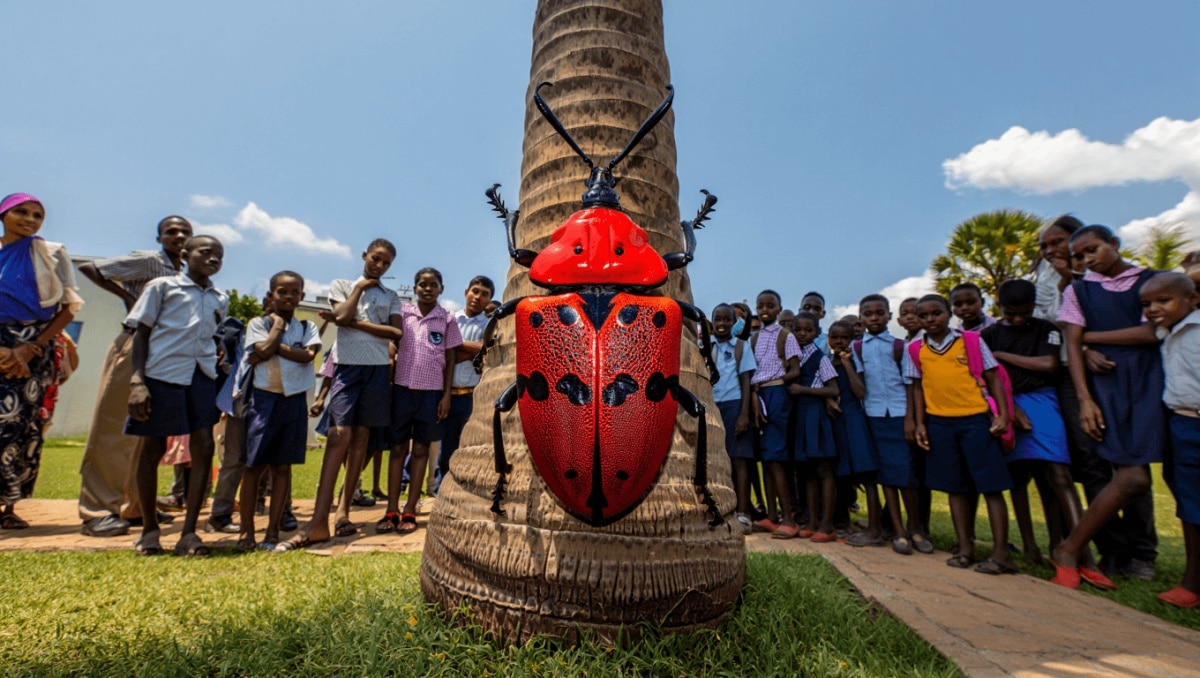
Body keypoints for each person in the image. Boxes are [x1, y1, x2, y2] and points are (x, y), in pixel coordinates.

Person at [1050, 225, 1165, 586]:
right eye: (1079, 257)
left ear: (1114, 244)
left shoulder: (1151, 281)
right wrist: (1085, 398)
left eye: (1092, 250)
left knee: (1165, 477)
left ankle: (1143, 553)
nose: (1086, 260)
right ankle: (1087, 549)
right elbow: (1070, 344)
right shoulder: (1079, 290)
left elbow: (1152, 332)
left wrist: (1088, 337)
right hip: (1108, 388)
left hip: (1154, 381)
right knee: (1129, 474)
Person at [280, 239, 403, 551]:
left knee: (361, 440)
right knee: (338, 436)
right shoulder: (342, 285)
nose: (380, 266)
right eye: (376, 259)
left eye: (386, 263)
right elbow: (342, 314)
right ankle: (318, 519)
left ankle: (343, 511)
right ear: (364, 255)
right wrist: (360, 289)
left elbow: (396, 333)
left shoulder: (391, 296)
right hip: (347, 368)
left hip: (376, 370)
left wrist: (355, 323)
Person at [76, 215, 192, 537]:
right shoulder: (149, 260)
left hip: (162, 352)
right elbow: (92, 268)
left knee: (144, 431)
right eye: (171, 231)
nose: (179, 236)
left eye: (185, 232)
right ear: (160, 238)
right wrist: (129, 298)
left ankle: (135, 505)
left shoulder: (180, 272)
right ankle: (98, 510)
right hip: (133, 346)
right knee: (113, 428)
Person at [982, 280, 1096, 575]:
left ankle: (1079, 550)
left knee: (1058, 474)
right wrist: (1010, 409)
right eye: (1011, 313)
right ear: (999, 306)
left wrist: (1002, 356)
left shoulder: (1046, 329)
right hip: (1005, 404)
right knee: (1017, 479)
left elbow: (1049, 365)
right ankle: (1031, 547)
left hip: (1044, 403)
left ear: (1034, 306)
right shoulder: (989, 335)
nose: (1018, 319)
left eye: (1024, 312)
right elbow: (983, 376)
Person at [124, 235, 226, 555]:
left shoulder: (220, 298)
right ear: (185, 255)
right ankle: (150, 531)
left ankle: (189, 533)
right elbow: (141, 334)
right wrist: (137, 381)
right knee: (152, 448)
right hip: (162, 374)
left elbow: (212, 335)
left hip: (202, 376)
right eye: (205, 252)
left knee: (204, 446)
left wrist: (218, 351)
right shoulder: (162, 287)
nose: (213, 259)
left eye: (219, 256)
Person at [905, 294, 1015, 575]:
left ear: (948, 313)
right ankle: (965, 548)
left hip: (976, 421)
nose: (931, 319)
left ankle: (1001, 552)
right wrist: (919, 423)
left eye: (936, 313)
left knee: (990, 487)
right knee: (955, 487)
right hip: (940, 423)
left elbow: (992, 378)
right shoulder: (916, 349)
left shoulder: (970, 341)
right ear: (918, 319)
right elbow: (917, 387)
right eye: (924, 316)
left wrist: (1003, 415)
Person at [0, 193, 84, 529]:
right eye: (21, 212)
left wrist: (30, 347)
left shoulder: (50, 253)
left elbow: (68, 307)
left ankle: (8, 507)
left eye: (37, 215)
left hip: (35, 349)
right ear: (4, 213)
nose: (30, 220)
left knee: (21, 425)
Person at [234, 271, 320, 551]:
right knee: (253, 466)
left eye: (295, 292)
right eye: (282, 292)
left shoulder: (308, 328)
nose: (289, 297)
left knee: (282, 467)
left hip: (292, 401)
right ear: (271, 295)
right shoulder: (258, 323)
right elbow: (260, 348)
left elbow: (307, 356)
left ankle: (272, 532)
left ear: (301, 296)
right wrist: (277, 328)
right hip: (263, 399)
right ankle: (246, 532)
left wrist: (272, 349)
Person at [377, 267, 461, 535]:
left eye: (433, 284)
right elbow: (392, 345)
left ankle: (411, 509)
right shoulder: (402, 313)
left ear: (441, 289)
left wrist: (446, 395)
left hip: (431, 394)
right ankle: (391, 509)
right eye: (422, 284)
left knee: (422, 450)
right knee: (398, 448)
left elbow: (449, 360)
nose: (427, 288)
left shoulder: (446, 319)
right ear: (414, 288)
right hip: (401, 390)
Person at [1141, 272, 1200, 607]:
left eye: (1164, 301)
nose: (1153, 309)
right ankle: (1192, 583)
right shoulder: (1165, 334)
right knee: (1190, 506)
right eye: (1147, 304)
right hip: (1184, 423)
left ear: (1192, 300)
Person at [854, 294, 928, 553]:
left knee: (906, 475)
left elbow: (911, 384)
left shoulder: (899, 346)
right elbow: (859, 386)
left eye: (879, 313)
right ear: (861, 317)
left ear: (888, 315)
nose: (874, 318)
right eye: (868, 314)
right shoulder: (857, 347)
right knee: (886, 476)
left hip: (898, 415)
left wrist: (910, 418)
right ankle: (898, 531)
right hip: (873, 416)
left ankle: (915, 528)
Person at [434, 275, 494, 495]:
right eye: (475, 291)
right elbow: (441, 351)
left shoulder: (489, 325)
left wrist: (457, 347)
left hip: (473, 396)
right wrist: (469, 351)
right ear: (466, 292)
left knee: (469, 447)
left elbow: (488, 349)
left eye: (484, 294)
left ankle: (464, 493)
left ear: (489, 300)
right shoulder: (450, 320)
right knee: (446, 447)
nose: (478, 297)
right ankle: (442, 491)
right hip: (447, 394)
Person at [749, 289, 801, 536]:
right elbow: (750, 372)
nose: (765, 309)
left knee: (777, 457)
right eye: (761, 305)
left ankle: (788, 519)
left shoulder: (786, 335)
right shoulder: (754, 338)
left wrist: (775, 378)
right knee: (767, 460)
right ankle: (771, 516)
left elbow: (795, 370)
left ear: (779, 309)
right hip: (758, 396)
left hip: (778, 394)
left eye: (771, 305)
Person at [786, 312, 840, 541]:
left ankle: (826, 525)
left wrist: (804, 390)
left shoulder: (820, 358)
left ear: (817, 333)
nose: (802, 334)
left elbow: (834, 389)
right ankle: (812, 521)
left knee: (823, 469)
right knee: (806, 471)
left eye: (808, 331)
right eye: (798, 330)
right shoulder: (793, 357)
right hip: (800, 416)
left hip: (816, 415)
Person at [826, 320, 879, 539]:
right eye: (835, 337)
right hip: (836, 422)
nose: (839, 342)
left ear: (851, 339)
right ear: (828, 339)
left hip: (854, 419)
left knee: (866, 474)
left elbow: (860, 392)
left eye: (844, 338)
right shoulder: (826, 362)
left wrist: (847, 364)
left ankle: (875, 527)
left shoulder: (855, 362)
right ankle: (842, 521)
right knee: (841, 474)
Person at [710, 303, 757, 534]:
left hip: (734, 404)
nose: (721, 324)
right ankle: (718, 508)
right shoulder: (704, 346)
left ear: (733, 322)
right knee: (715, 460)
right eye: (717, 319)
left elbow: (746, 381)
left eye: (726, 320)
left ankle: (744, 513)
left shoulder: (741, 346)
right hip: (711, 406)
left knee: (739, 460)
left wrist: (744, 414)